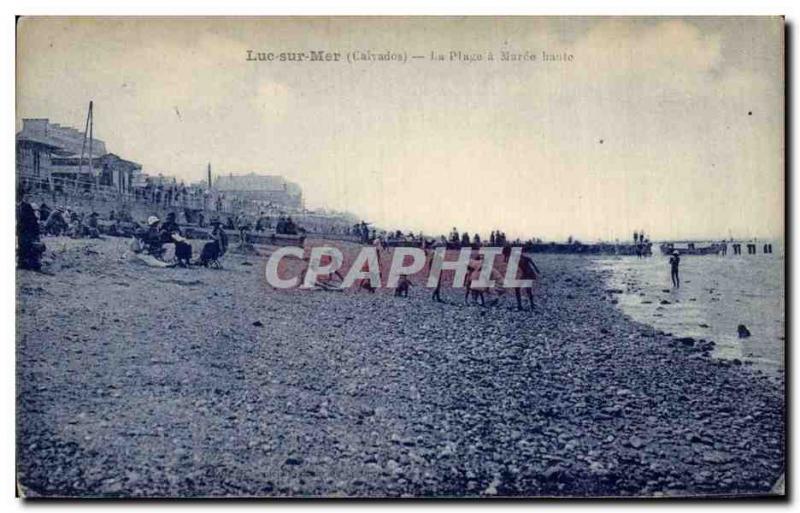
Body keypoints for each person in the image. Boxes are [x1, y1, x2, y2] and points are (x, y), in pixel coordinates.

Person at [17, 188, 45, 270]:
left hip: (24, 231)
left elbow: (32, 220)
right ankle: (25, 263)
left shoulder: (24, 206)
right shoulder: (24, 206)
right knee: (26, 247)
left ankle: (24, 263)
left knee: (25, 247)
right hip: (24, 231)